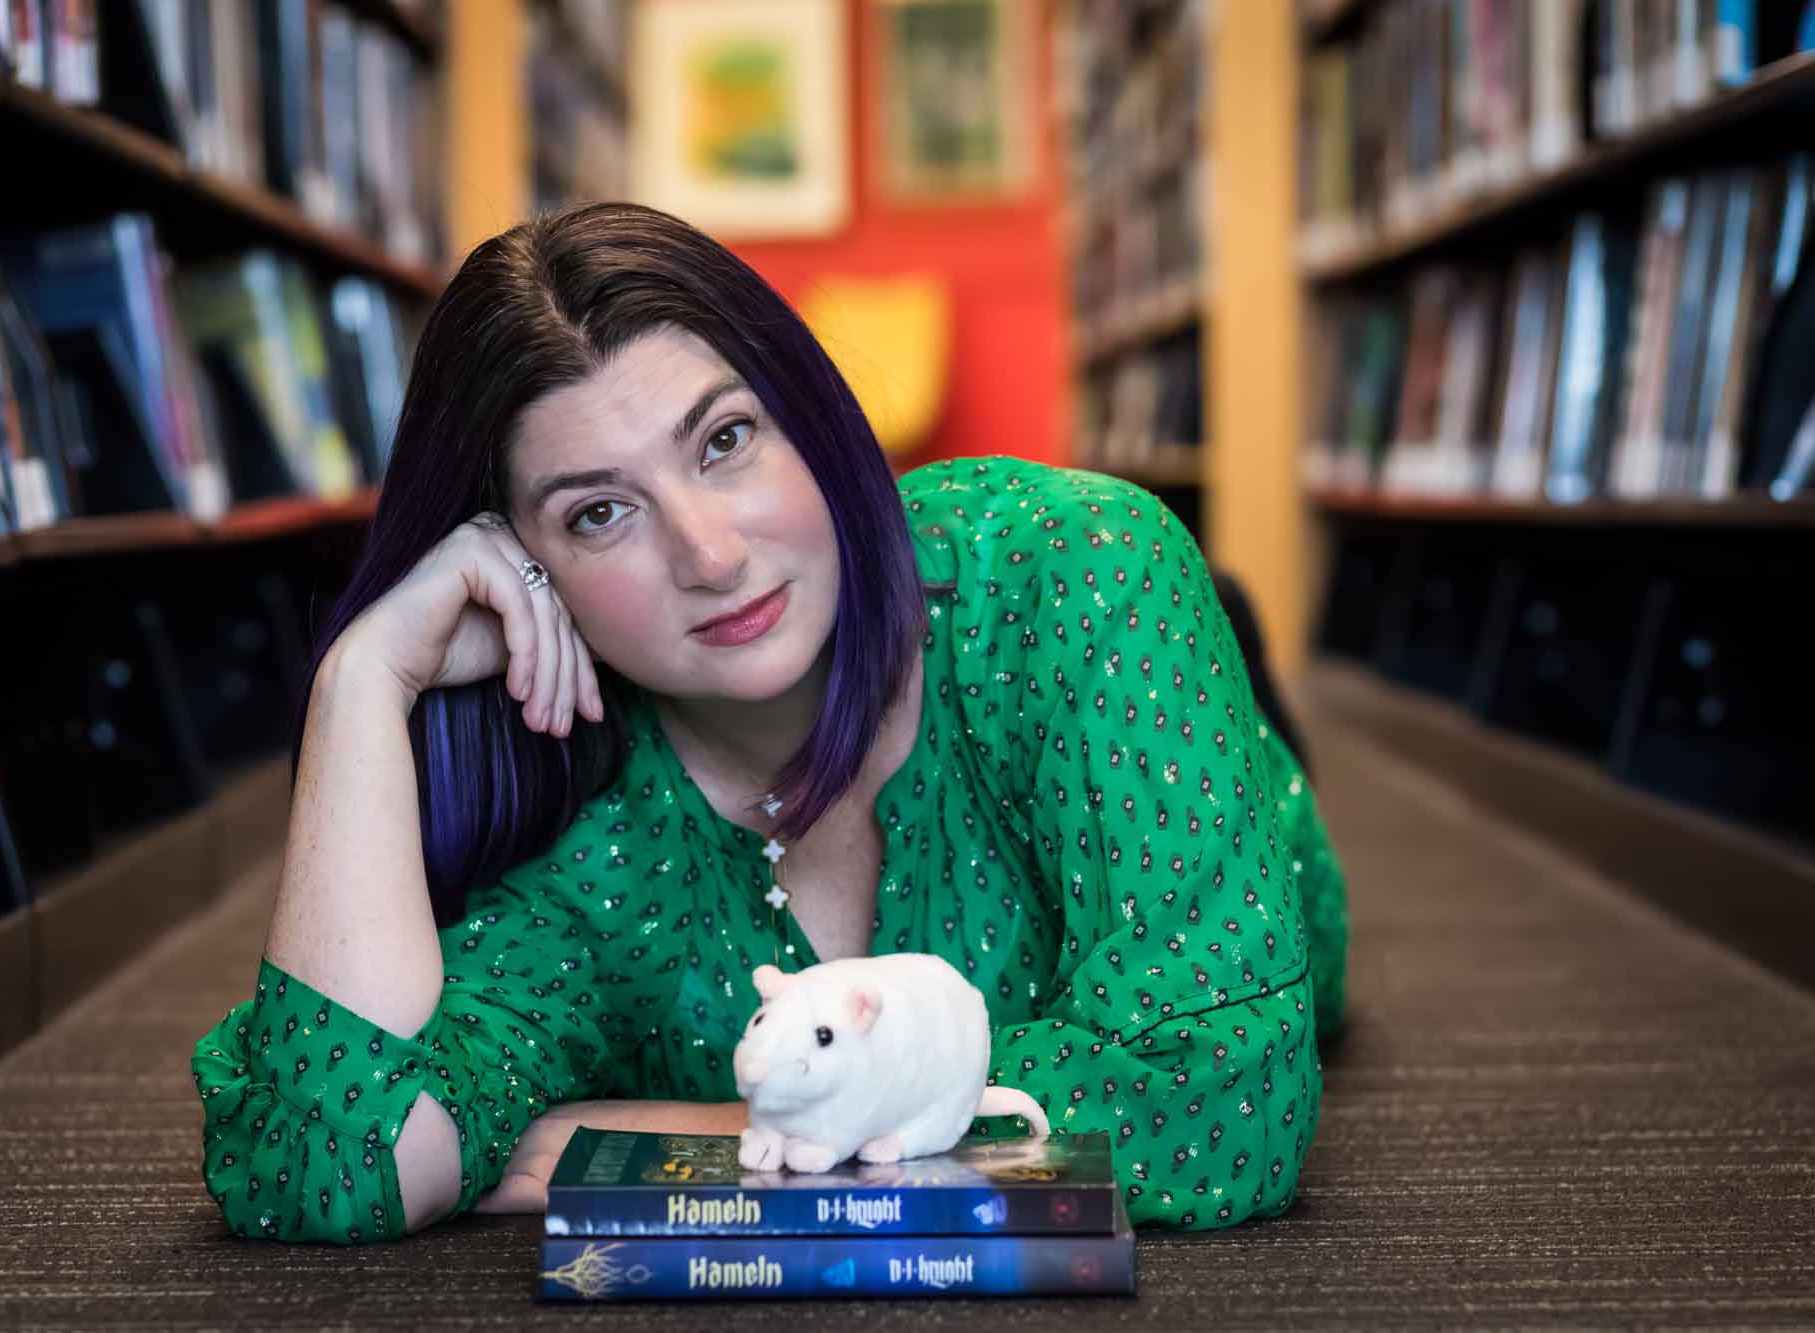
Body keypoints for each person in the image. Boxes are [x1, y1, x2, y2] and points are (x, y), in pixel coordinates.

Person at [191, 201, 1349, 1245]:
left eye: (724, 440)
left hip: (1138, 707)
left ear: (809, 412)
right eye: (599, 513)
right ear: (526, 569)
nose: (708, 553)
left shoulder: (1083, 573)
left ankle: (1224, 645)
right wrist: (361, 677)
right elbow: (331, 1162)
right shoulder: (595, 845)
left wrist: (688, 1132)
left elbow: (1220, 1107)